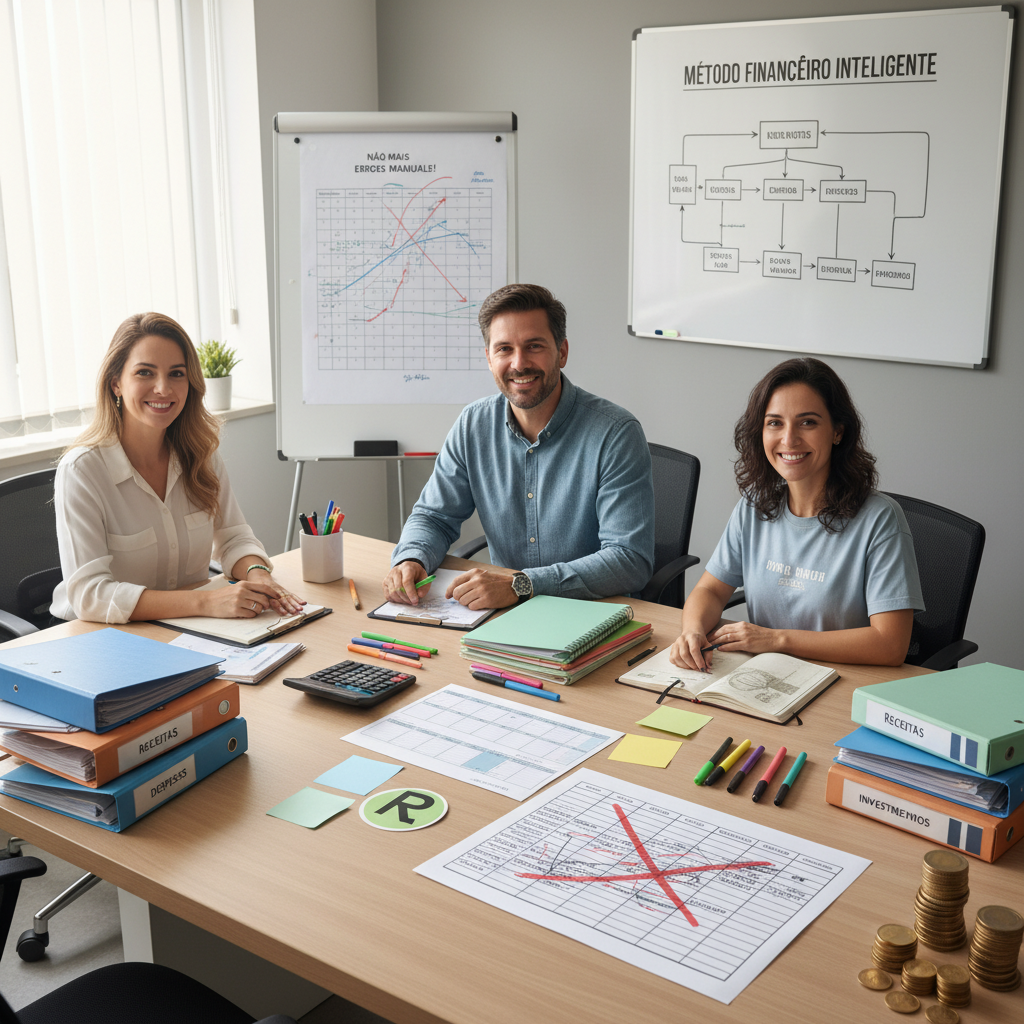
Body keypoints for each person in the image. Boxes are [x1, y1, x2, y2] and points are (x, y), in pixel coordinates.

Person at [382, 283, 655, 610]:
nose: (519, 363)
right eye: (504, 349)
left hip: (594, 612)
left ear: (562, 352)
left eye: (534, 346)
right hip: (506, 611)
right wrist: (412, 558)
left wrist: (522, 585)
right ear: (488, 358)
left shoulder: (616, 433)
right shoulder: (473, 425)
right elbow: (434, 517)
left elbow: (629, 560)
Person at [670, 357, 923, 670]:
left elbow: (890, 645)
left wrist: (777, 640)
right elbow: (709, 589)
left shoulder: (880, 520)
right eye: (775, 423)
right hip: (767, 677)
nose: (788, 439)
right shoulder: (754, 508)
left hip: (844, 685)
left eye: (808, 422)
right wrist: (693, 631)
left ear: (838, 432)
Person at [51, 312, 304, 623]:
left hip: (188, 629)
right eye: (145, 372)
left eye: (176, 374)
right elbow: (90, 595)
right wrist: (205, 603)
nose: (163, 388)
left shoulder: (200, 455)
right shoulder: (82, 471)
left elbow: (234, 537)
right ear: (116, 383)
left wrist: (259, 575)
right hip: (102, 638)